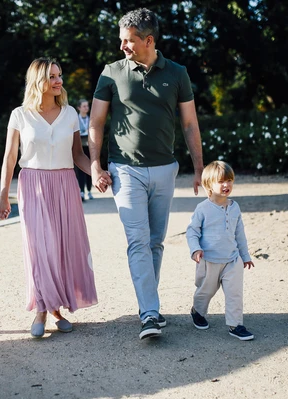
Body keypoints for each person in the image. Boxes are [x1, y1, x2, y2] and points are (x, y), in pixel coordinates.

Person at [88, 7, 204, 340]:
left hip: (165, 169)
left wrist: (199, 167)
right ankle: (149, 312)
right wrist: (95, 165)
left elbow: (190, 123)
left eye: (128, 40)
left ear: (149, 40)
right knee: (138, 240)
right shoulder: (111, 73)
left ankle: (148, 304)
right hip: (125, 170)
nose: (122, 46)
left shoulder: (177, 73)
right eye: (121, 40)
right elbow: (96, 122)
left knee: (155, 242)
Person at [0, 57, 98, 338]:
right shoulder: (20, 115)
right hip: (33, 184)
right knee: (40, 248)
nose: (58, 81)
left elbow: (78, 155)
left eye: (59, 75)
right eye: (52, 76)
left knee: (62, 248)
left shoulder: (70, 114)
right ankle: (41, 309)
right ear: (37, 80)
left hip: (65, 184)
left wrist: (97, 173)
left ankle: (56, 309)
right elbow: (10, 157)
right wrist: (3, 195)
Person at [186, 161, 255, 341]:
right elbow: (192, 232)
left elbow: (240, 234)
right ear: (209, 185)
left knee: (234, 293)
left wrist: (245, 256)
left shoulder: (235, 207)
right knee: (206, 291)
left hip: (232, 260)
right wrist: (195, 249)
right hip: (208, 260)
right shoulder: (203, 208)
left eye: (229, 180)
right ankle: (197, 311)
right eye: (221, 181)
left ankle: (235, 325)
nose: (226, 185)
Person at [75, 99, 94, 201]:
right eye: (84, 106)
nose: (86, 108)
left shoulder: (91, 119)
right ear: (79, 108)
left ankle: (89, 190)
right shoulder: (75, 119)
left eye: (87, 106)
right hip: (79, 147)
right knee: (80, 170)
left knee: (90, 169)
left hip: (89, 147)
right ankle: (81, 191)